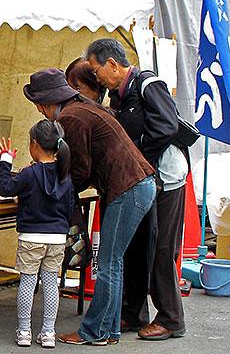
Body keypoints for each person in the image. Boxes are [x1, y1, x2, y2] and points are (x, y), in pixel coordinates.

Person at [23, 68, 156, 345]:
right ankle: (108, 331)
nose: (39, 111)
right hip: (136, 184)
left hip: (127, 186)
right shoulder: (82, 108)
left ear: (44, 103)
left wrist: (50, 185)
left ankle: (93, 331)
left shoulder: (71, 118)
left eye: (38, 106)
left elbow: (80, 170)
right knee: (113, 263)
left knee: (108, 264)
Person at [86, 38, 188, 341]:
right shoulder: (118, 95)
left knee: (161, 248)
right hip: (142, 181)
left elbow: (166, 126)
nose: (96, 77)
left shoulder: (147, 84)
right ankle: (133, 312)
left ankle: (171, 319)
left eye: (96, 70)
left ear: (113, 65)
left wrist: (137, 153)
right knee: (135, 245)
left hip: (166, 180)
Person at [0, 121, 74, 349]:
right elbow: (69, 208)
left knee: (27, 284)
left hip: (31, 238)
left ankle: (24, 332)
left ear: (34, 144)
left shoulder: (29, 173)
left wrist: (5, 160)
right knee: (51, 284)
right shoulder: (65, 177)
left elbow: (5, 188)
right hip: (57, 239)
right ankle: (48, 332)